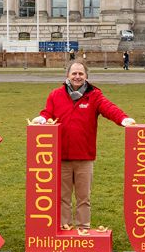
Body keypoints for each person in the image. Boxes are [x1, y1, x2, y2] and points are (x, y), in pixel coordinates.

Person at [32, 61, 134, 229]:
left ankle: (83, 229)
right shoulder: (55, 94)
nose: (77, 77)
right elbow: (48, 112)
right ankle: (64, 227)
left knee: (83, 197)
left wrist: (123, 119)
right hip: (61, 156)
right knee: (62, 197)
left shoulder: (94, 95)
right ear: (67, 75)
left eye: (81, 74)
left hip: (84, 157)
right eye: (74, 74)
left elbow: (109, 108)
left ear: (86, 76)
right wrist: (42, 119)